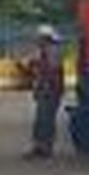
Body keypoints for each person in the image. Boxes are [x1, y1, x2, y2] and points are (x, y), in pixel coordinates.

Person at [25, 25, 65, 159]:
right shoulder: (43, 51)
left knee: (46, 119)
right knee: (41, 119)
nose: (37, 41)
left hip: (50, 90)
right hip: (45, 89)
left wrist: (45, 87)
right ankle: (39, 146)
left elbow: (51, 72)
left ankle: (45, 148)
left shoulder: (52, 51)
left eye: (39, 38)